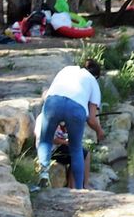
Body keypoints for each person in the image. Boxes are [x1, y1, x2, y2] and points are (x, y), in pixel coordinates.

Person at [35, 58, 104, 190]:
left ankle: (43, 175)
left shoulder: (66, 69)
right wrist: (99, 131)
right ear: (96, 76)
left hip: (53, 103)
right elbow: (91, 119)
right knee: (76, 148)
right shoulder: (93, 83)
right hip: (76, 108)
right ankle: (78, 189)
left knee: (46, 140)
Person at [34, 111, 92, 189]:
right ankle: (73, 186)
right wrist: (66, 142)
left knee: (85, 153)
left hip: (59, 146)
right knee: (77, 155)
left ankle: (84, 184)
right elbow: (48, 138)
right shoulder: (43, 118)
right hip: (50, 150)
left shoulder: (58, 115)